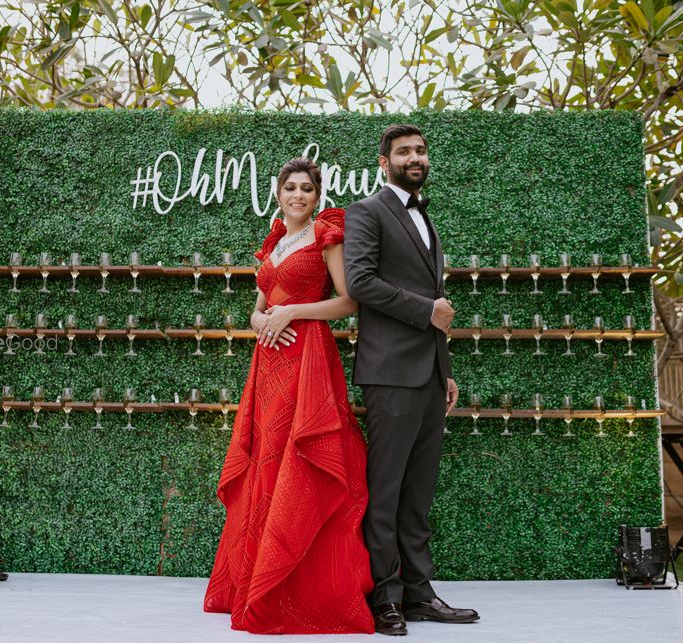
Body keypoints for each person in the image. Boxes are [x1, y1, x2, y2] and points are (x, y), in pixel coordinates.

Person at [203, 157, 374, 634]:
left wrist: (292, 312)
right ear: (278, 194)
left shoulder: (326, 236)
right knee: (267, 461)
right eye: (290, 188)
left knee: (301, 459)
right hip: (268, 365)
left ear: (317, 196)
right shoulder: (276, 240)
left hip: (306, 361)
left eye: (307, 189)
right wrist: (260, 320)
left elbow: (348, 301)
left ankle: (297, 587)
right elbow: (259, 306)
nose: (298, 196)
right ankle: (257, 578)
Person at [343, 124, 480, 636]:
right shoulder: (367, 212)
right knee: (386, 492)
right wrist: (427, 312)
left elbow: (435, 308)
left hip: (427, 377)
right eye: (404, 152)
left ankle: (421, 595)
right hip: (389, 374)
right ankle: (386, 600)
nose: (415, 157)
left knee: (418, 494)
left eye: (421, 150)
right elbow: (359, 283)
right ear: (384, 162)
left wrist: (444, 371)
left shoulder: (427, 220)